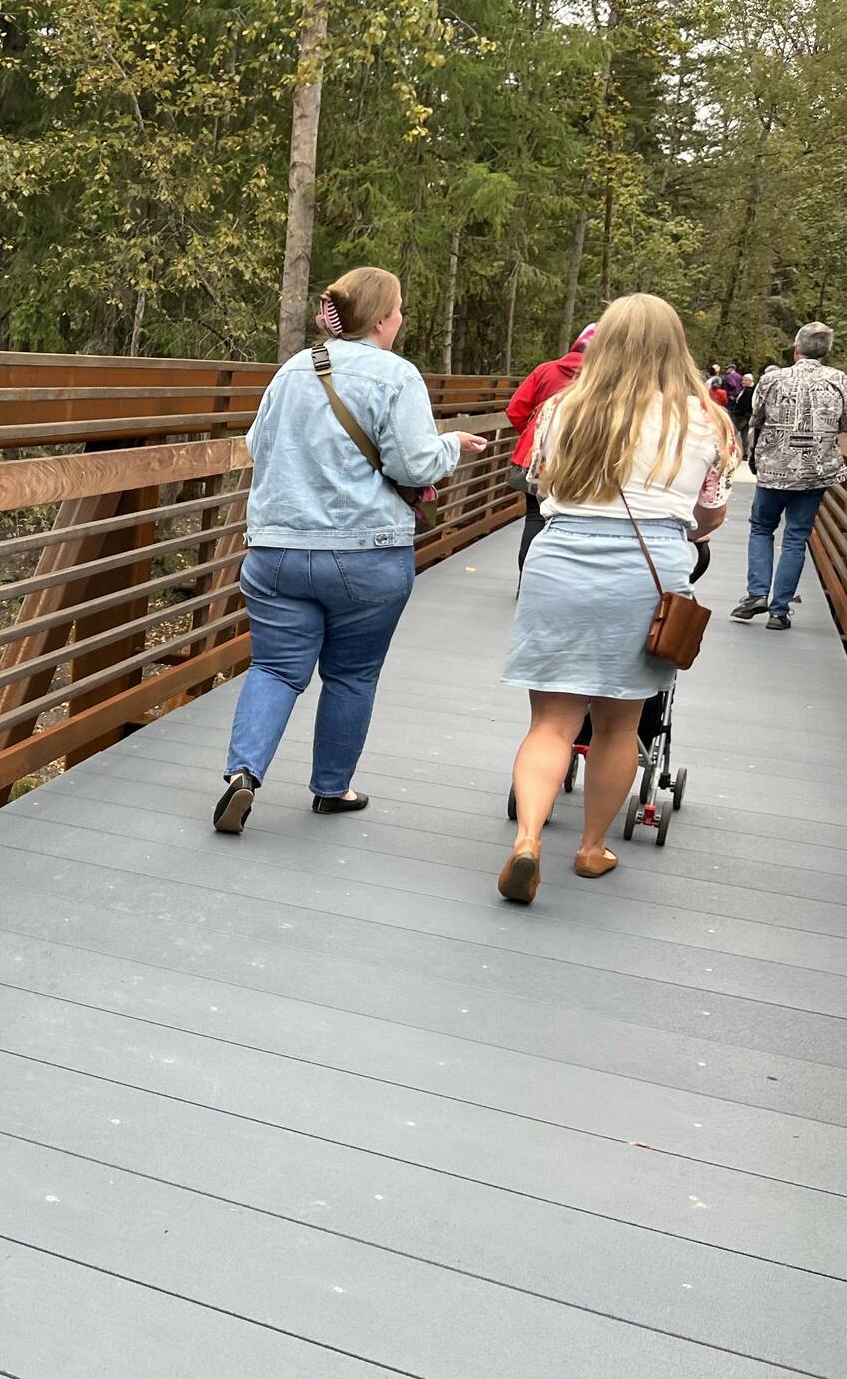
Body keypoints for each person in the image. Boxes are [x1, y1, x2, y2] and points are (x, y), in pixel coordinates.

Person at [214, 266, 484, 833]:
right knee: (352, 675)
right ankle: (331, 788)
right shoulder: (398, 376)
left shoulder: (291, 370)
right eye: (401, 308)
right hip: (366, 554)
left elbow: (256, 445)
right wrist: (452, 446)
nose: (402, 318)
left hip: (278, 551)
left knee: (274, 666)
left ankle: (243, 774)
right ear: (383, 317)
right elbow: (412, 464)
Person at [497, 294, 735, 903]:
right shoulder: (707, 422)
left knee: (551, 721)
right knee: (619, 725)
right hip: (649, 575)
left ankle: (527, 840)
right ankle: (591, 846)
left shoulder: (561, 408)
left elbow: (542, 481)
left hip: (561, 560)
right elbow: (710, 514)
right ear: (674, 346)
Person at [732, 322, 847, 630]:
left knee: (761, 528)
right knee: (796, 537)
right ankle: (779, 611)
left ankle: (756, 594)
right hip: (815, 472)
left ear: (797, 349)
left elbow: (756, 417)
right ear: (826, 351)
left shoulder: (772, 379)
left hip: (774, 470)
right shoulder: (839, 381)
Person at [506, 323, 598, 571]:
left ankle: (526, 580)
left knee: (535, 516)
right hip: (577, 462)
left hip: (533, 459)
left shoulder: (545, 370)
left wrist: (533, 435)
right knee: (570, 520)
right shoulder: (601, 381)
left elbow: (515, 410)